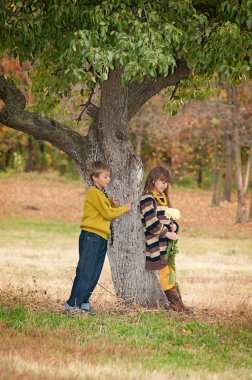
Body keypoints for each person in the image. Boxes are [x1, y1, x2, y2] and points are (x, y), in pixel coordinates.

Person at [65, 161, 132, 313]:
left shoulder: (101, 193)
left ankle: (83, 303)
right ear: (95, 178)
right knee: (86, 270)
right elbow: (107, 214)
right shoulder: (93, 192)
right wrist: (124, 208)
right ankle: (72, 304)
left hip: (100, 236)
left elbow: (103, 209)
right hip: (91, 236)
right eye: (106, 176)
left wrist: (111, 204)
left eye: (109, 176)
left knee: (95, 271)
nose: (109, 179)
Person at [140, 166, 190, 312]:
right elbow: (151, 223)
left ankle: (179, 303)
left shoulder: (163, 198)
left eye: (166, 183)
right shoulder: (147, 198)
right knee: (165, 272)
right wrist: (167, 233)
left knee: (171, 271)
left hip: (166, 244)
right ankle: (176, 305)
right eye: (162, 181)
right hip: (156, 243)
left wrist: (174, 226)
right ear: (153, 179)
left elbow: (166, 220)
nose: (164, 185)